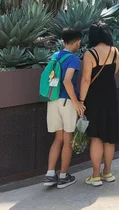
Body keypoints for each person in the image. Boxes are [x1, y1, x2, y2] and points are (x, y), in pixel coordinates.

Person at [79, 22, 119, 187]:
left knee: (95, 136)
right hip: (111, 96)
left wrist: (81, 101)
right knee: (109, 137)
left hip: (94, 98)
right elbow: (114, 72)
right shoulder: (115, 51)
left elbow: (86, 79)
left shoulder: (90, 54)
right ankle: (108, 172)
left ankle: (95, 176)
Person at [44, 28, 84, 189]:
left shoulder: (55, 56)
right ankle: (63, 176)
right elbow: (67, 81)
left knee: (58, 138)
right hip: (67, 102)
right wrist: (76, 102)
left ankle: (49, 174)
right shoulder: (74, 59)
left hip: (52, 100)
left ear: (63, 42)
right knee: (67, 139)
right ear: (78, 42)